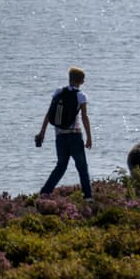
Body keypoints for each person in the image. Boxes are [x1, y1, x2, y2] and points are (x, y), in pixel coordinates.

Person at [35, 66, 93, 201]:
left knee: (60, 166)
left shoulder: (58, 92)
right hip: (75, 135)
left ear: (70, 78)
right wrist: (89, 137)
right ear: (81, 81)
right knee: (82, 167)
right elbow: (84, 117)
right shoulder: (81, 96)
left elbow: (49, 114)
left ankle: (44, 194)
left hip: (60, 136)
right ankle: (88, 197)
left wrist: (42, 132)